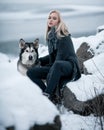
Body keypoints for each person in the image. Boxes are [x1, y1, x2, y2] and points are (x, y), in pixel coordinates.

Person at [27, 10, 81, 102]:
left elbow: (60, 57)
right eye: (49, 17)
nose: (51, 20)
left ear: (59, 22)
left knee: (56, 65)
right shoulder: (51, 37)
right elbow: (53, 55)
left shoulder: (64, 36)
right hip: (57, 65)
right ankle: (49, 94)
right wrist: (39, 61)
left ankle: (47, 94)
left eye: (54, 18)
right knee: (31, 72)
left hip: (70, 66)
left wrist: (48, 69)